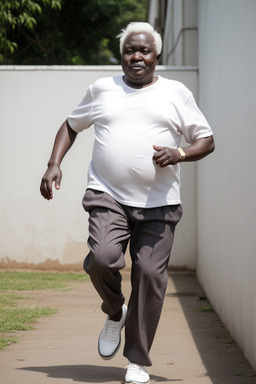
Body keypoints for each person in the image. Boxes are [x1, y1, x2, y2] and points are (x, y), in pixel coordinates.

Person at [40, 22, 215, 384]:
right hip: (108, 195)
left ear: (157, 56)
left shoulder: (176, 93)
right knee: (103, 258)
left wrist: (178, 152)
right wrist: (54, 163)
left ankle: (136, 360)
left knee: (149, 276)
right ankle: (115, 309)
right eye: (129, 51)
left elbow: (206, 139)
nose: (136, 56)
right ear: (121, 56)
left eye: (144, 51)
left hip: (160, 203)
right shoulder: (102, 89)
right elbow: (71, 125)